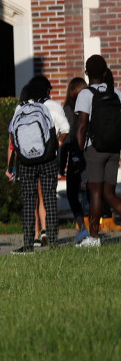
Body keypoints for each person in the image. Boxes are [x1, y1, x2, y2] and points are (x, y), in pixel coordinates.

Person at [6, 76, 68, 253]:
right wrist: (56, 145)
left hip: (25, 162)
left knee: (28, 202)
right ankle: (54, 242)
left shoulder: (19, 110)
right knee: (49, 199)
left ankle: (28, 243)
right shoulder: (46, 108)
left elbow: (12, 136)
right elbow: (58, 130)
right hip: (47, 160)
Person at [73, 54, 121, 247]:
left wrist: (79, 152)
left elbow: (82, 127)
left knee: (94, 193)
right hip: (113, 149)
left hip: (95, 150)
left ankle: (93, 238)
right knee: (110, 193)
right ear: (104, 72)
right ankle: (93, 237)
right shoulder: (116, 92)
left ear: (86, 73)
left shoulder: (86, 94)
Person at [61, 76, 89, 241]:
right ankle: (91, 228)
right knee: (88, 193)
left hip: (74, 158)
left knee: (72, 194)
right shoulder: (90, 109)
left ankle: (82, 225)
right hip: (89, 156)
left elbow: (65, 141)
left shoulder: (67, 111)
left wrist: (61, 164)